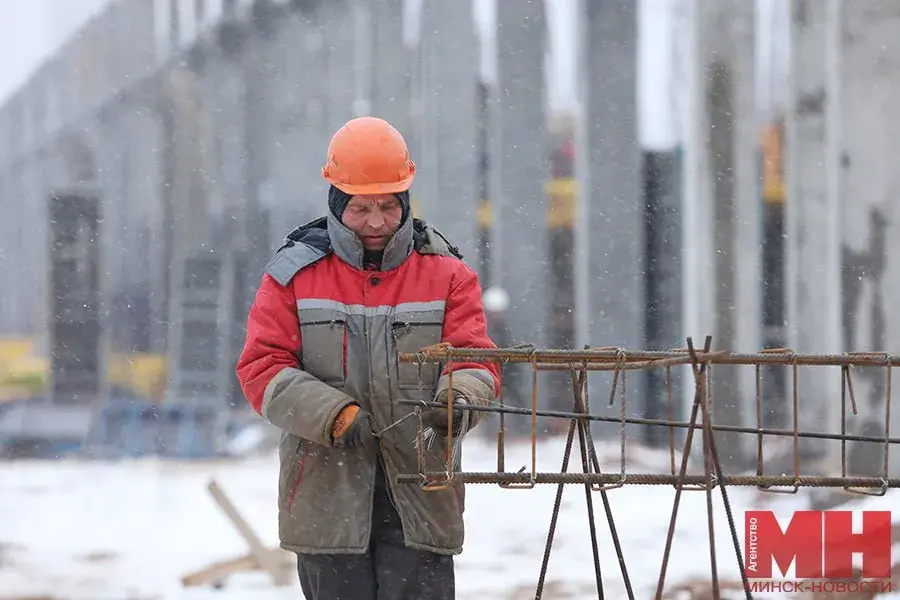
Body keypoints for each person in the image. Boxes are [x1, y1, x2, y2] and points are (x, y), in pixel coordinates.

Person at [235, 116, 502, 600]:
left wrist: (457, 400)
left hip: (422, 495)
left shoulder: (449, 276)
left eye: (387, 206)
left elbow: (476, 360)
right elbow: (262, 368)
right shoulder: (292, 277)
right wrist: (332, 415)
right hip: (325, 499)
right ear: (336, 204)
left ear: (406, 202)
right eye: (360, 208)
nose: (376, 222)